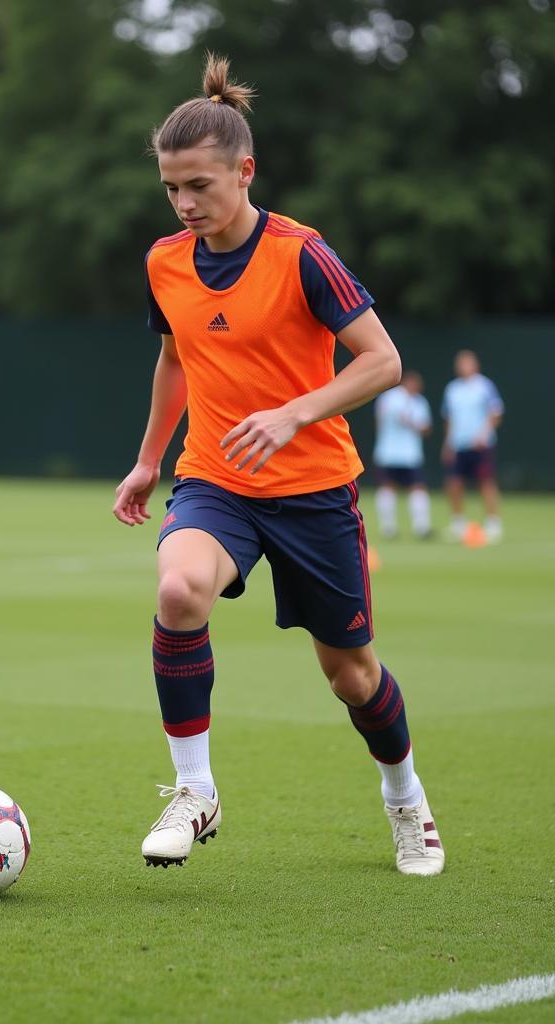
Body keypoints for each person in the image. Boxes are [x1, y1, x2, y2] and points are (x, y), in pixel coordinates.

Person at [112, 54, 443, 876]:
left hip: (314, 492)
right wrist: (150, 461)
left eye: (200, 186)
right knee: (179, 587)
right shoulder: (164, 263)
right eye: (171, 189)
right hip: (217, 479)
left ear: (245, 170)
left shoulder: (302, 254)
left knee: (352, 676)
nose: (186, 204)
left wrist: (295, 412)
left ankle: (406, 799)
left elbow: (382, 361)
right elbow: (175, 362)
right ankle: (195, 791)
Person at [441, 350, 504, 542]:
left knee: (486, 482)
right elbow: (449, 419)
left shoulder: (484, 386)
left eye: (467, 363)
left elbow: (496, 413)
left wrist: (483, 435)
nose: (463, 366)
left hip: (481, 445)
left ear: (475, 365)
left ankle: (493, 523)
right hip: (459, 445)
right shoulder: (452, 389)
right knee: (454, 483)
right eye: (460, 363)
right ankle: (458, 522)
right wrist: (448, 444)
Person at [373, 370, 433, 539]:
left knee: (417, 488)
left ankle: (422, 527)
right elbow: (379, 421)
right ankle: (388, 528)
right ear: (406, 382)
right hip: (389, 452)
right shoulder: (389, 398)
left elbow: (426, 428)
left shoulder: (420, 402)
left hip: (410, 454)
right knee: (387, 487)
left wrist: (412, 423)